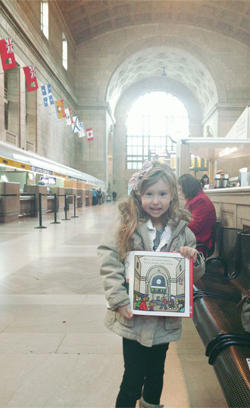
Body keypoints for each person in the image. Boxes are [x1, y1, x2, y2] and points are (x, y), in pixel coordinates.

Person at [98, 161, 205, 408]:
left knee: (156, 375)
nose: (155, 201)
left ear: (173, 196)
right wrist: (118, 298)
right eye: (149, 194)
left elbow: (195, 273)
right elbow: (108, 258)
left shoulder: (183, 232)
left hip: (164, 322)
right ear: (139, 195)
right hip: (132, 317)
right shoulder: (126, 225)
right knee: (132, 377)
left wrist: (192, 259)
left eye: (162, 194)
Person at [178, 173, 217, 257]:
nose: (180, 193)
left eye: (181, 190)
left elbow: (195, 226)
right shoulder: (195, 198)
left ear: (187, 188)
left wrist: (177, 227)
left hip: (200, 241)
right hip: (196, 237)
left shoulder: (200, 200)